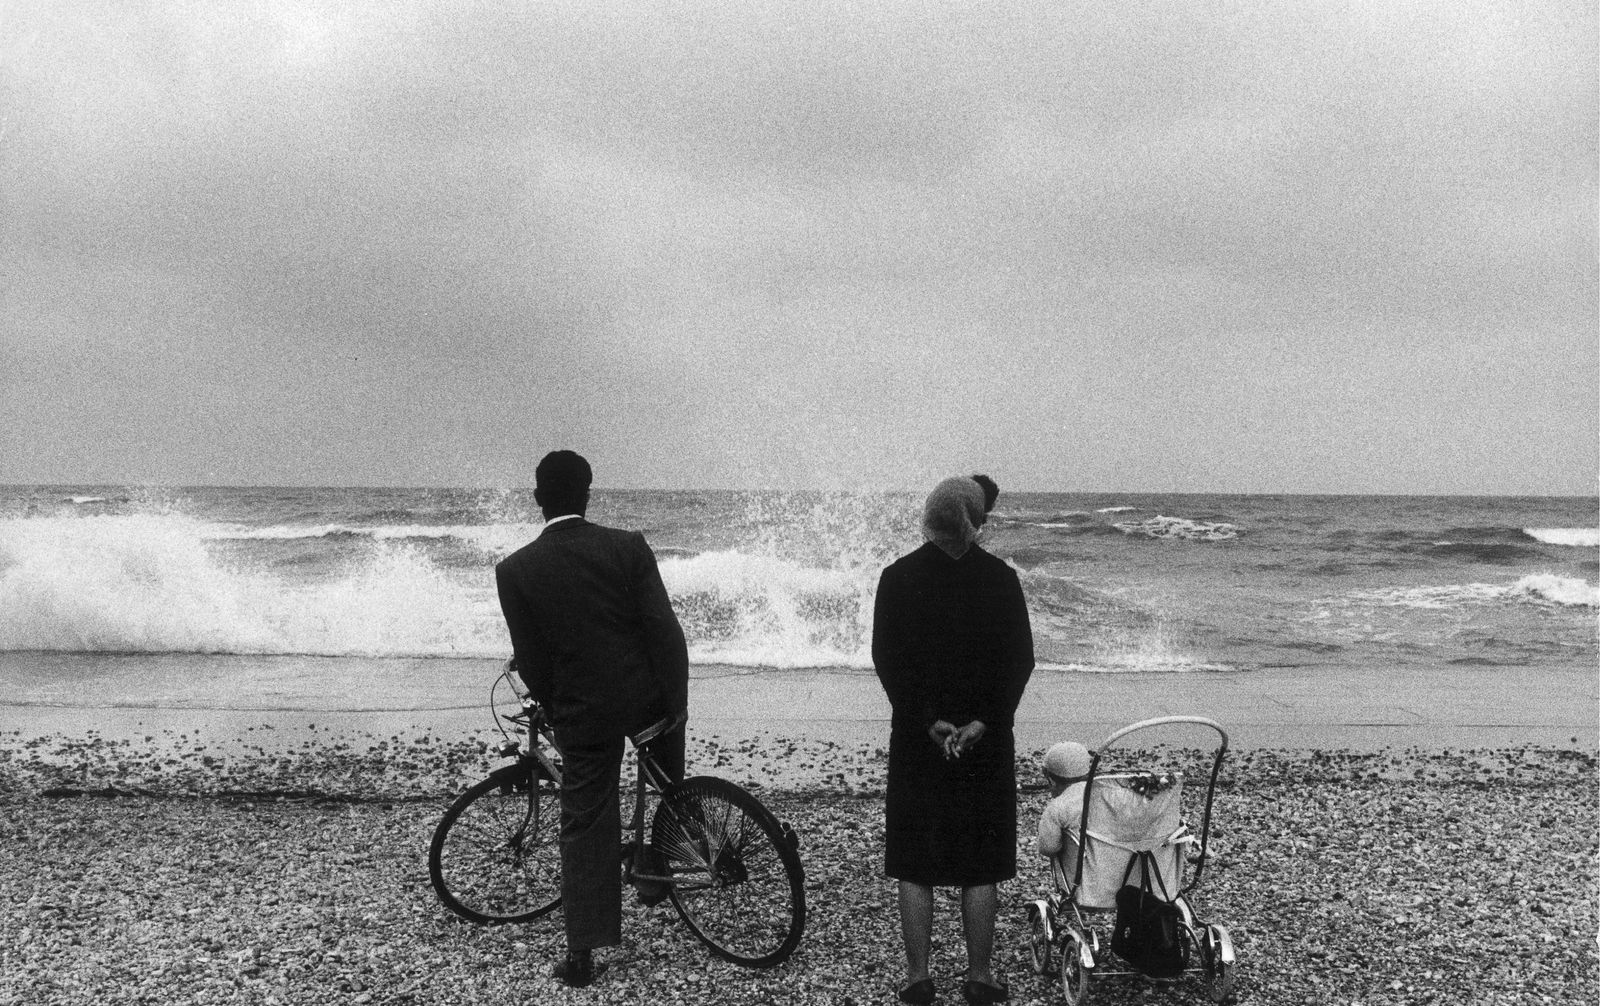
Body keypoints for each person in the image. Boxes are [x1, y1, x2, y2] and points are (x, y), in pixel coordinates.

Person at [494, 450, 689, 989]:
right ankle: (660, 865)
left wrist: (558, 709)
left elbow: (531, 659)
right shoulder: (627, 547)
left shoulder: (515, 570)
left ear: (538, 499)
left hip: (584, 711)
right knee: (671, 782)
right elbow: (663, 631)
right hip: (645, 699)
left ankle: (582, 955)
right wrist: (677, 702)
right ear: (587, 493)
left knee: (585, 821)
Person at [872, 475, 1035, 1006]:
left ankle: (919, 978)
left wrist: (926, 721)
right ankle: (979, 977)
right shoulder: (1001, 579)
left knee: (914, 860)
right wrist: (984, 721)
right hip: (984, 742)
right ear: (973, 517)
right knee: (980, 861)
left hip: (919, 739)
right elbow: (1019, 661)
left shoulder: (896, 578)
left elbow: (887, 659)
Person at [1035, 741, 1093, 861]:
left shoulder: (1057, 808)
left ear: (1051, 780)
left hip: (1081, 876)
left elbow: (1047, 848)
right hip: (1124, 876)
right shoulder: (1111, 796)